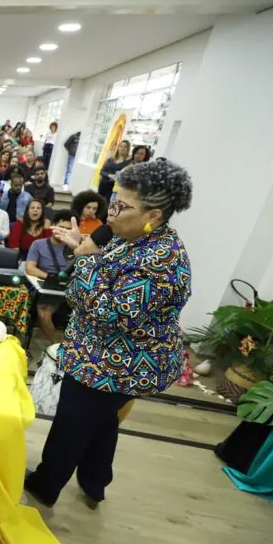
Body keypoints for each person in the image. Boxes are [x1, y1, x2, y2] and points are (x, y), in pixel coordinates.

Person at [26, 159, 193, 509]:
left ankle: (46, 485)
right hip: (100, 353)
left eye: (121, 205)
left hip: (115, 363)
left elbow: (109, 314)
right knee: (102, 424)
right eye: (113, 202)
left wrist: (85, 259)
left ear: (155, 216)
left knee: (72, 425)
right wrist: (84, 250)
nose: (111, 213)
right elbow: (88, 291)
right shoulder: (129, 238)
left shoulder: (162, 260)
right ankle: (95, 483)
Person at [25, 210, 74, 344]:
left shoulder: (75, 248)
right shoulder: (38, 244)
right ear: (53, 226)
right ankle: (58, 347)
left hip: (71, 289)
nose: (64, 231)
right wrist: (51, 277)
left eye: (68, 229)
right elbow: (30, 268)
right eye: (61, 228)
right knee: (43, 313)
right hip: (49, 287)